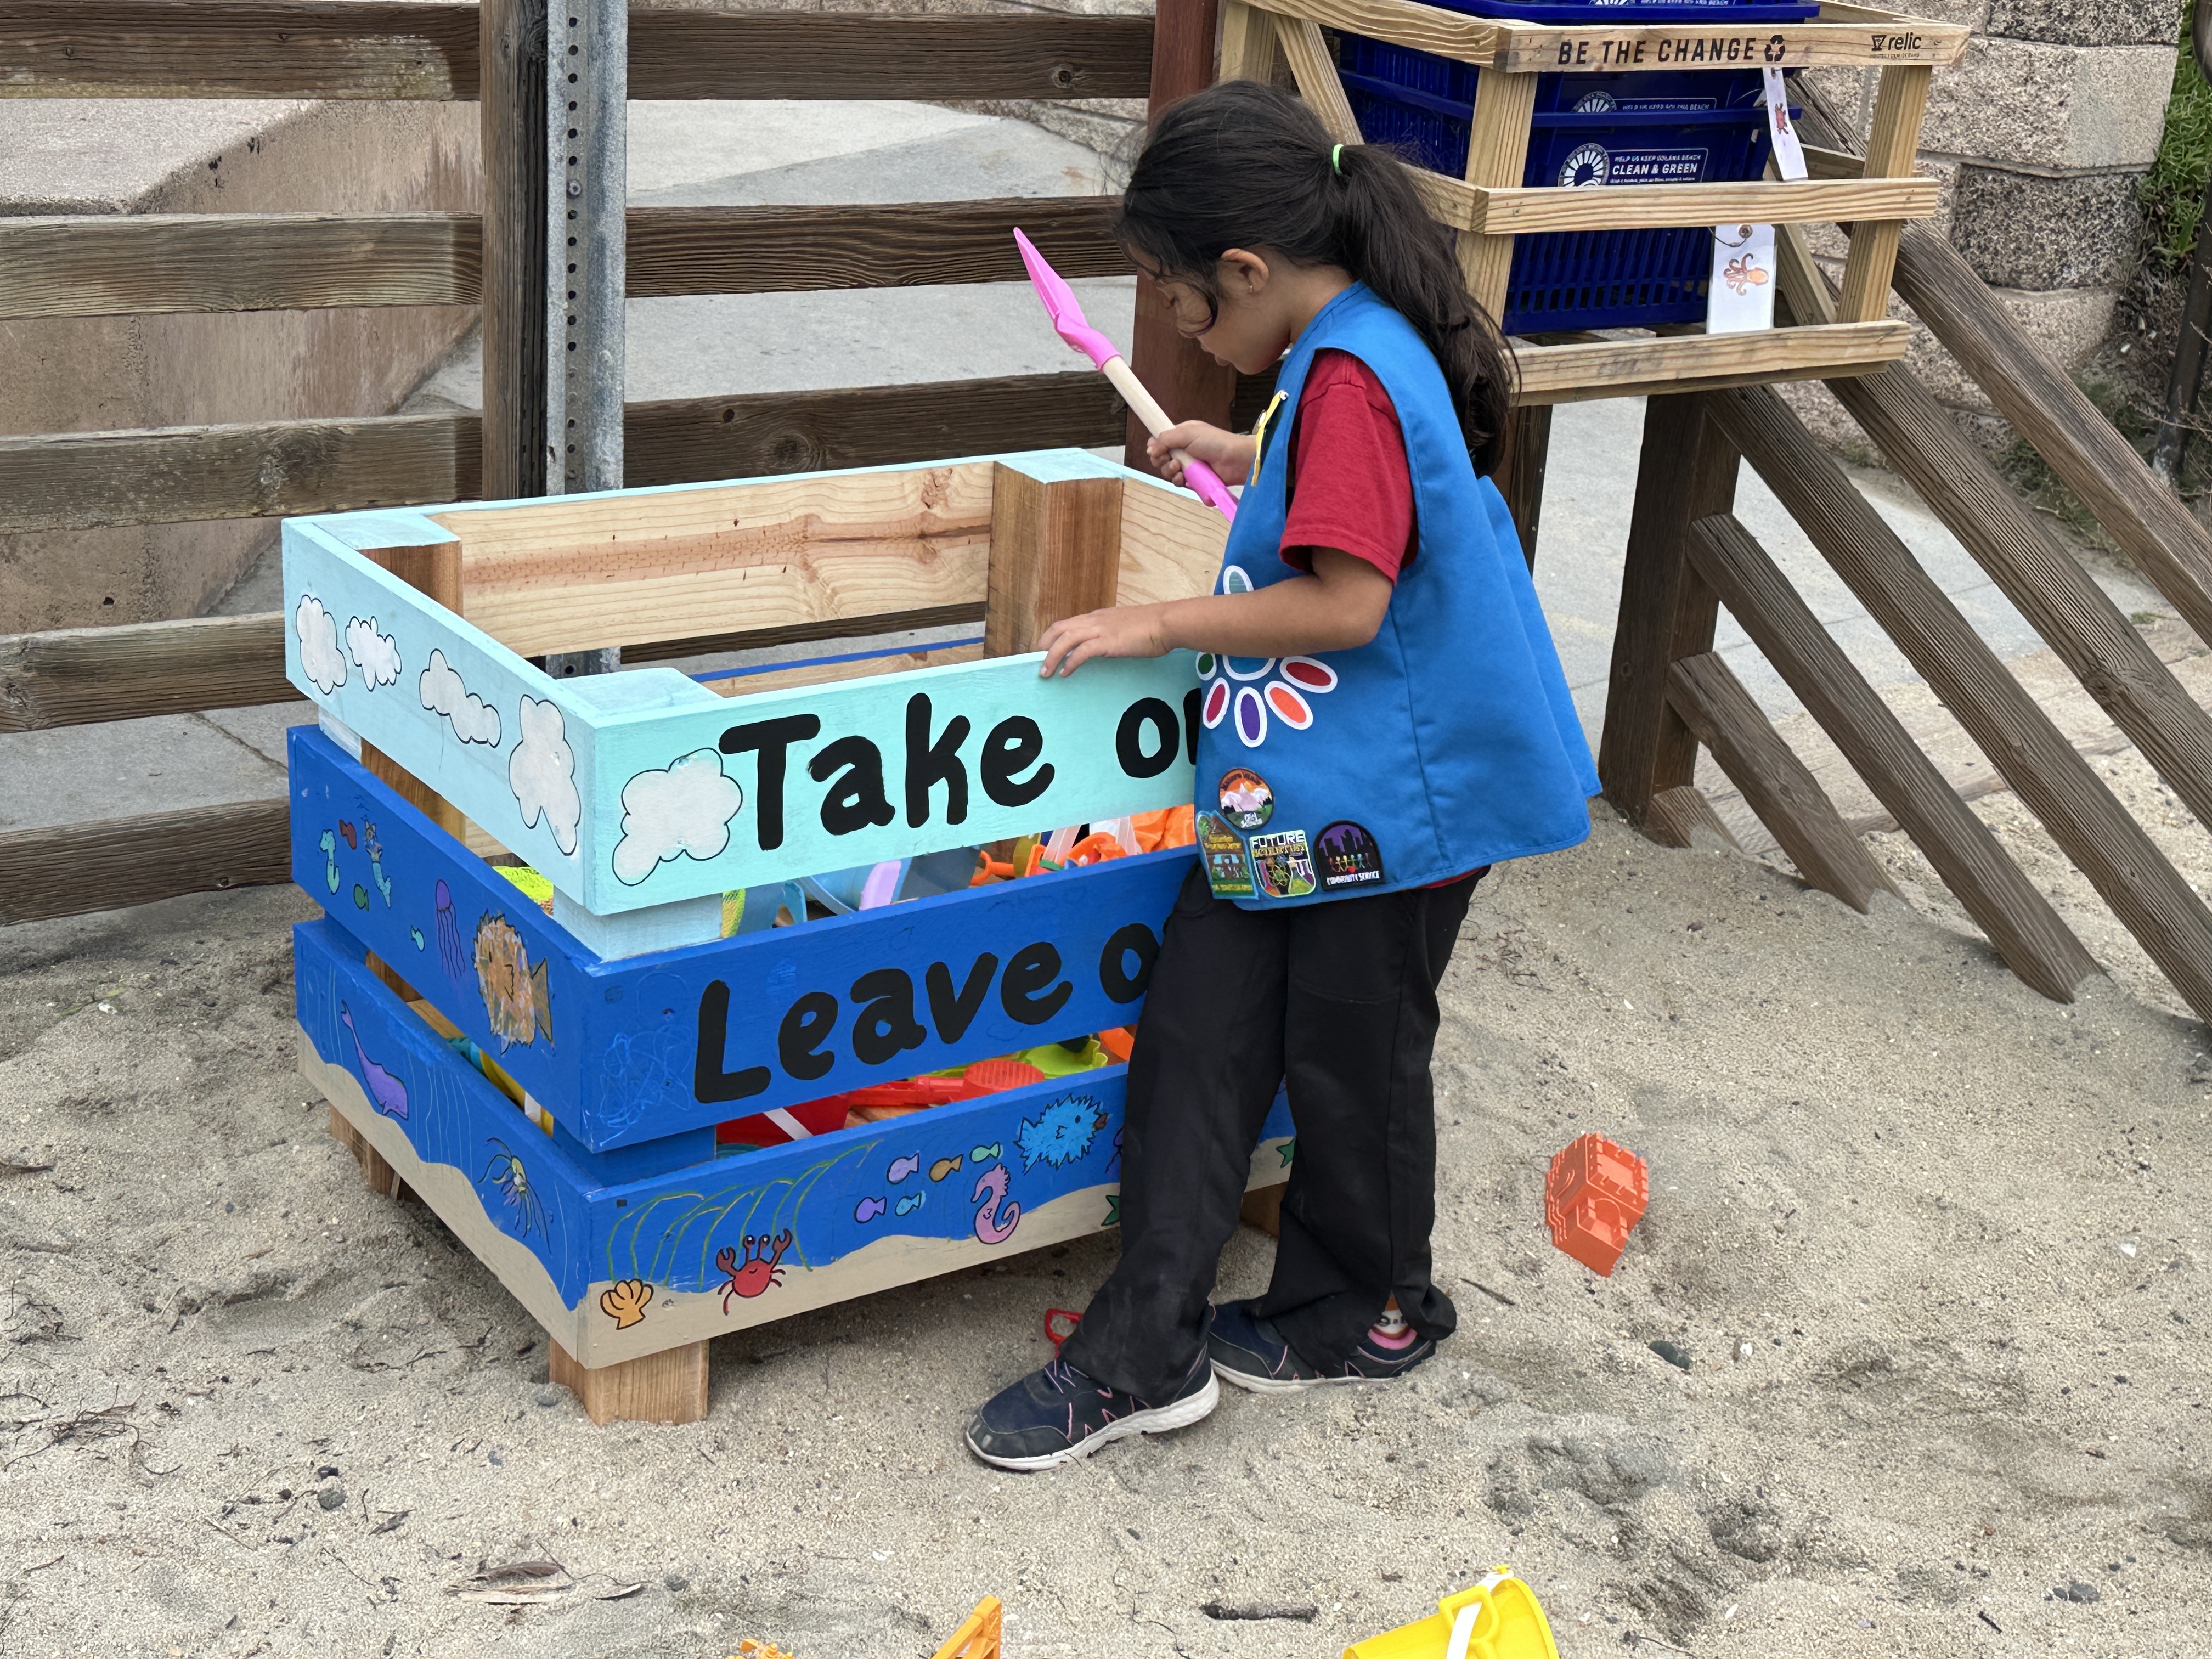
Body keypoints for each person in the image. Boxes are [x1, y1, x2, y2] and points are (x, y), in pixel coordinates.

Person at [965, 80, 1596, 1471]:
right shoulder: (1335, 354)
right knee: (1202, 1027)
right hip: (1305, 798)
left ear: (1246, 270)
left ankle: (1365, 1308)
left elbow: (1347, 600)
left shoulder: (1360, 367)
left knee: (1353, 1054)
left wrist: (1159, 621)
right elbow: (1335, 482)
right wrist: (1244, 456)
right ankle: (1145, 1343)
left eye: (1184, 304)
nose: (1185, 332)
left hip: (1400, 805)